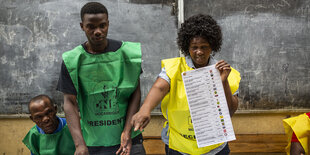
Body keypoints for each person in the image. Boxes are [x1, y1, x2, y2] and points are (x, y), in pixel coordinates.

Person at [131, 14, 241, 155]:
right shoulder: (174, 68)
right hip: (178, 146)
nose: (199, 52)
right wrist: (144, 109)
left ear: (212, 46)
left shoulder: (226, 72)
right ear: (186, 47)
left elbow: (230, 111)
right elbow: (160, 87)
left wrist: (223, 81)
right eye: (194, 47)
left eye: (204, 47)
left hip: (214, 148)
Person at [56, 2, 145, 155]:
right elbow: (69, 102)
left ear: (108, 24)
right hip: (93, 142)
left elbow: (135, 93)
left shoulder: (126, 54)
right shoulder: (73, 60)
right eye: (91, 26)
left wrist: (127, 132)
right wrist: (79, 144)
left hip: (129, 139)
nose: (97, 31)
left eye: (102, 25)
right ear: (82, 26)